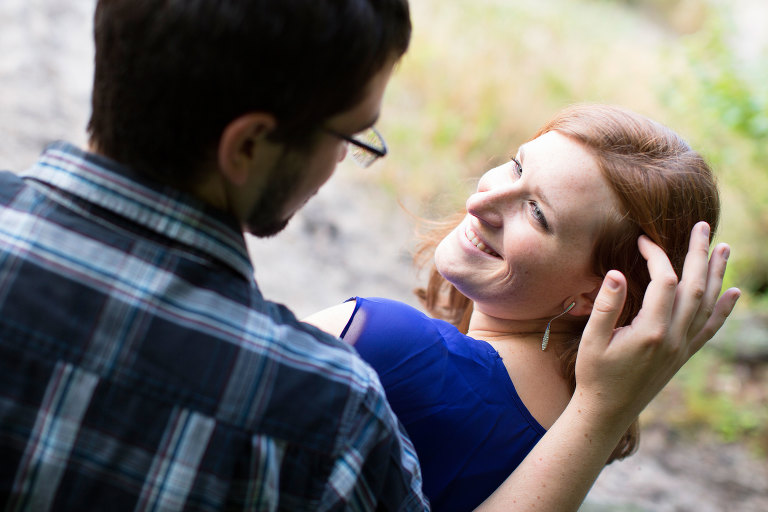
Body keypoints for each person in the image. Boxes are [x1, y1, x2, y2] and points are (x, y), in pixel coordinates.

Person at [0, 0, 739, 510]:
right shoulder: (328, 402)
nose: (482, 198)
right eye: (349, 136)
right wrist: (603, 414)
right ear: (249, 146)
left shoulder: (371, 359)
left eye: (537, 211)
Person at [304, 104, 741, 511]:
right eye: (517, 165)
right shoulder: (572, 437)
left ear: (597, 296)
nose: (478, 202)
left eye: (536, 212)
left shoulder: (385, 341)